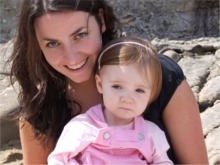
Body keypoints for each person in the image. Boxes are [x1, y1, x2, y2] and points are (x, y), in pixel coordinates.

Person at [8, 0, 208, 164]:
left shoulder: (160, 76)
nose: (71, 58)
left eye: (80, 35)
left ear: (101, 20)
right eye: (52, 43)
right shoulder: (38, 106)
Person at [47, 37, 173, 164]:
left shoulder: (151, 133)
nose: (127, 98)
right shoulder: (83, 126)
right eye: (117, 86)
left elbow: (163, 162)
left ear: (151, 94)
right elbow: (58, 160)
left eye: (139, 90)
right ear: (100, 84)